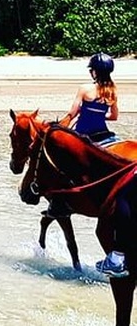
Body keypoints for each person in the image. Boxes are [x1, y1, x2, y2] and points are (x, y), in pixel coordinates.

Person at [45, 53, 120, 221]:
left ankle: (59, 203)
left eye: (91, 70)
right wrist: (99, 114)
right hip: (104, 134)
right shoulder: (112, 91)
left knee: (61, 165)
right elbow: (114, 116)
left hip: (84, 135)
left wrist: (59, 129)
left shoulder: (85, 89)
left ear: (94, 72)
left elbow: (72, 113)